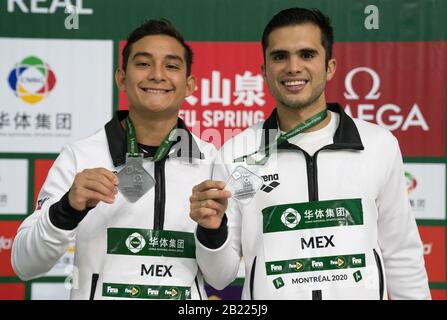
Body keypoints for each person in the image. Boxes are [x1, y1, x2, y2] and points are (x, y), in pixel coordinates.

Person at [189, 8, 430, 300]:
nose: (293, 67)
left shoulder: (378, 145)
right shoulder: (238, 154)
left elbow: (402, 253)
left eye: (306, 55)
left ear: (329, 67)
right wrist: (212, 231)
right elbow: (219, 275)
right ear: (264, 70)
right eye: (280, 56)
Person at [12, 19, 216, 300]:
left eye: (171, 65)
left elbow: (223, 275)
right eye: (143, 63)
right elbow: (24, 264)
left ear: (190, 84)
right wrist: (66, 210)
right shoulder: (80, 156)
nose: (157, 75)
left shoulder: (213, 161)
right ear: (121, 78)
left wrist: (214, 230)